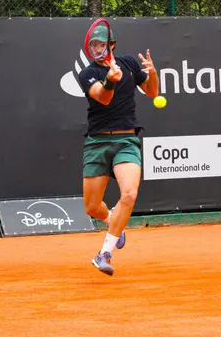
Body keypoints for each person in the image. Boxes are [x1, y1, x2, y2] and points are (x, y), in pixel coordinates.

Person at [78, 23, 159, 276]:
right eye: (93, 45)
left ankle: (104, 253)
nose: (97, 49)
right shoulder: (87, 73)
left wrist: (153, 73)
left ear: (112, 45)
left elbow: (153, 92)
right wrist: (111, 81)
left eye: (101, 44)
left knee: (130, 194)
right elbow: (103, 97)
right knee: (92, 207)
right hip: (97, 142)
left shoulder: (129, 64)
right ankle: (113, 219)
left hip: (126, 140)